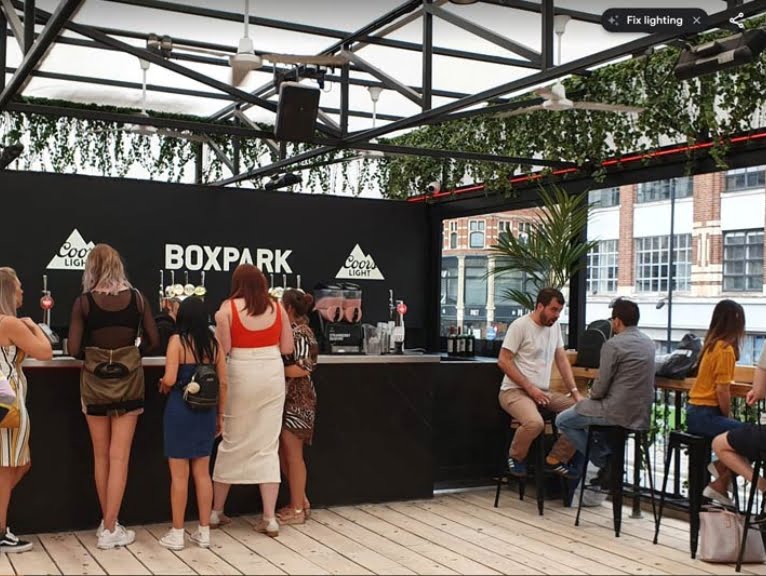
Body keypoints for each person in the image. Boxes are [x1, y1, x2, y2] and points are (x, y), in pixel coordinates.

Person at [68, 244, 159, 549]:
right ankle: (110, 526)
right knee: (120, 457)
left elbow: (73, 349)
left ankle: (106, 523)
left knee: (101, 456)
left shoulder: (83, 303)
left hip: (94, 384)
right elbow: (154, 340)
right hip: (130, 384)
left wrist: (99, 358)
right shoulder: (137, 299)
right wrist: (129, 357)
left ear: (91, 269)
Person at [210, 264, 294, 537]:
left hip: (240, 372)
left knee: (232, 437)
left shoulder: (227, 309)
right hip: (271, 371)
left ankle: (216, 511)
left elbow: (223, 349)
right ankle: (269, 517)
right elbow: (287, 348)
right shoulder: (277, 307)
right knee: (268, 443)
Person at [556, 298, 656, 484]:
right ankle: (609, 464)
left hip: (615, 412)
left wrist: (588, 397)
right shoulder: (649, 343)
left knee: (563, 420)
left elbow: (600, 388)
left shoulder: (613, 344)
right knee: (597, 426)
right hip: (641, 414)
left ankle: (605, 461)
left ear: (617, 321)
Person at [157, 296, 227, 550]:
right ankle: (204, 532)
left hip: (180, 410)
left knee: (179, 477)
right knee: (203, 473)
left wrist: (163, 385)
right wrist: (220, 415)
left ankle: (177, 533)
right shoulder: (215, 344)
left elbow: (170, 377)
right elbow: (224, 383)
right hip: (206, 413)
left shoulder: (177, 341)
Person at [497, 288, 582, 479]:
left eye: (559, 311)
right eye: (553, 310)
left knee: (583, 412)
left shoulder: (555, 327)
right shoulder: (520, 326)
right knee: (535, 423)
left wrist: (575, 393)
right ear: (540, 306)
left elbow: (562, 360)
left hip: (543, 392)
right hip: (514, 391)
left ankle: (555, 459)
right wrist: (530, 389)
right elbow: (503, 360)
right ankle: (515, 457)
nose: (556, 315)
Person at [0, 268, 52, 552]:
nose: (23, 292)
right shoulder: (11, 324)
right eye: (18, 288)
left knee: (14, 465)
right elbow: (45, 351)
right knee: (8, 467)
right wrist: (33, 326)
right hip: (9, 401)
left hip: (5, 399)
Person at [684, 299, 747, 504]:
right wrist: (726, 415)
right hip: (706, 414)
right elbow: (722, 390)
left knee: (747, 437)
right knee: (751, 437)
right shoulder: (725, 350)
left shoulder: (711, 346)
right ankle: (720, 476)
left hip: (695, 412)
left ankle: (720, 473)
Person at [277, 289, 318, 525]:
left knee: (293, 455)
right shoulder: (291, 332)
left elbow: (303, 368)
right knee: (284, 453)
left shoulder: (301, 333)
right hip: (286, 400)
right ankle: (300, 501)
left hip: (298, 400)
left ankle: (297, 509)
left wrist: (273, 368)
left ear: (289, 309)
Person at [709, 345, 766, 504]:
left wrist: (757, 390)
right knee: (744, 436)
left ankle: (763, 486)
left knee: (720, 443)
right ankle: (722, 478)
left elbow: (759, 390)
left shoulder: (718, 348)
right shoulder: (724, 350)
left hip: (699, 414)